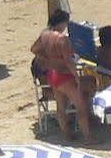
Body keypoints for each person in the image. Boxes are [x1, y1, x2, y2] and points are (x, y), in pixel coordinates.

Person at [31, 11, 92, 142]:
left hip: (52, 74)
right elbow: (69, 62)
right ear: (62, 22)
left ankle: (67, 135)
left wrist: (46, 60)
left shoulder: (44, 35)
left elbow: (33, 49)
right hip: (64, 75)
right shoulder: (62, 39)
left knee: (61, 107)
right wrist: (76, 76)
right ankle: (88, 138)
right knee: (81, 106)